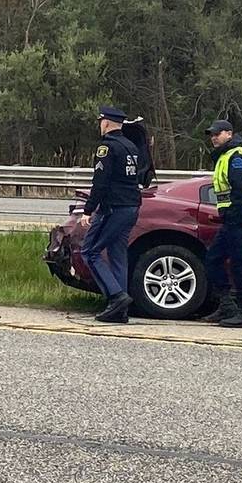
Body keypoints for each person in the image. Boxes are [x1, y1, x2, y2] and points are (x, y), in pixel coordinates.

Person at [80, 105, 142, 323]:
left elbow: (100, 182)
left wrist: (88, 209)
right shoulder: (131, 147)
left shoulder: (106, 148)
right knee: (118, 256)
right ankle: (120, 312)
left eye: (100, 121)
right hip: (131, 207)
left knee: (90, 252)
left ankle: (116, 297)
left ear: (106, 122)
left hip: (113, 208)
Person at [201, 119, 242, 328]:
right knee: (213, 259)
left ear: (229, 133)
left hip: (240, 218)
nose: (213, 138)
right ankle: (227, 306)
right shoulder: (225, 155)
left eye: (217, 134)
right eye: (211, 135)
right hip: (232, 218)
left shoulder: (237, 155)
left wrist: (233, 214)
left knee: (239, 265)